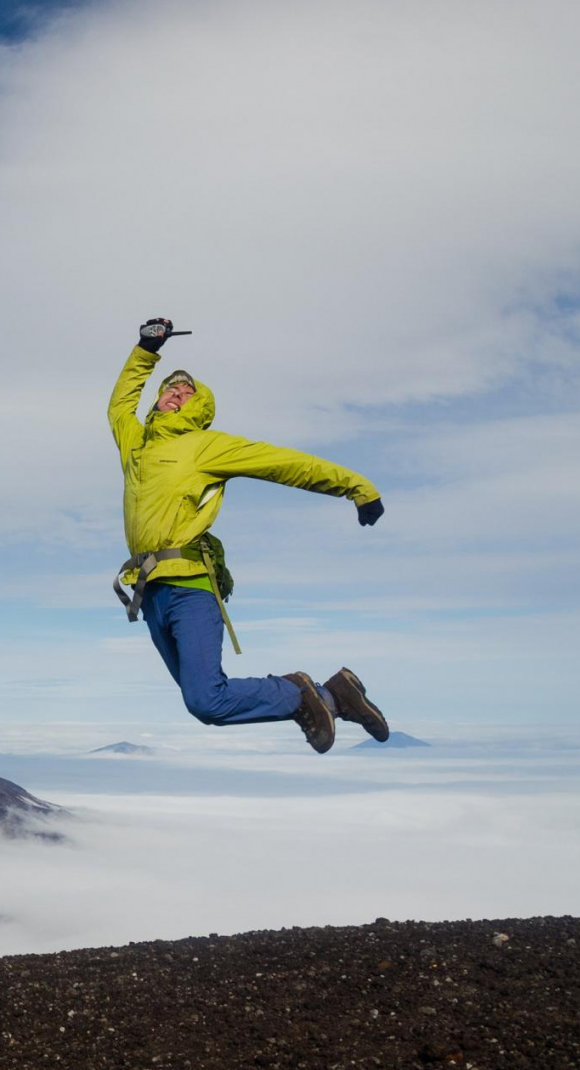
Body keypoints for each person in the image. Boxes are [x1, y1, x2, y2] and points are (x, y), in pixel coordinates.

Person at [108, 317, 389, 753]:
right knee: (202, 706)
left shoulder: (205, 445)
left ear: (198, 410)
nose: (175, 395)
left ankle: (303, 691)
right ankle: (334, 697)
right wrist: (145, 351)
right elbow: (119, 407)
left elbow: (283, 463)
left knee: (207, 699)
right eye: (170, 389)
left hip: (190, 588)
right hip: (151, 596)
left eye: (186, 394)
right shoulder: (137, 445)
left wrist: (357, 487)